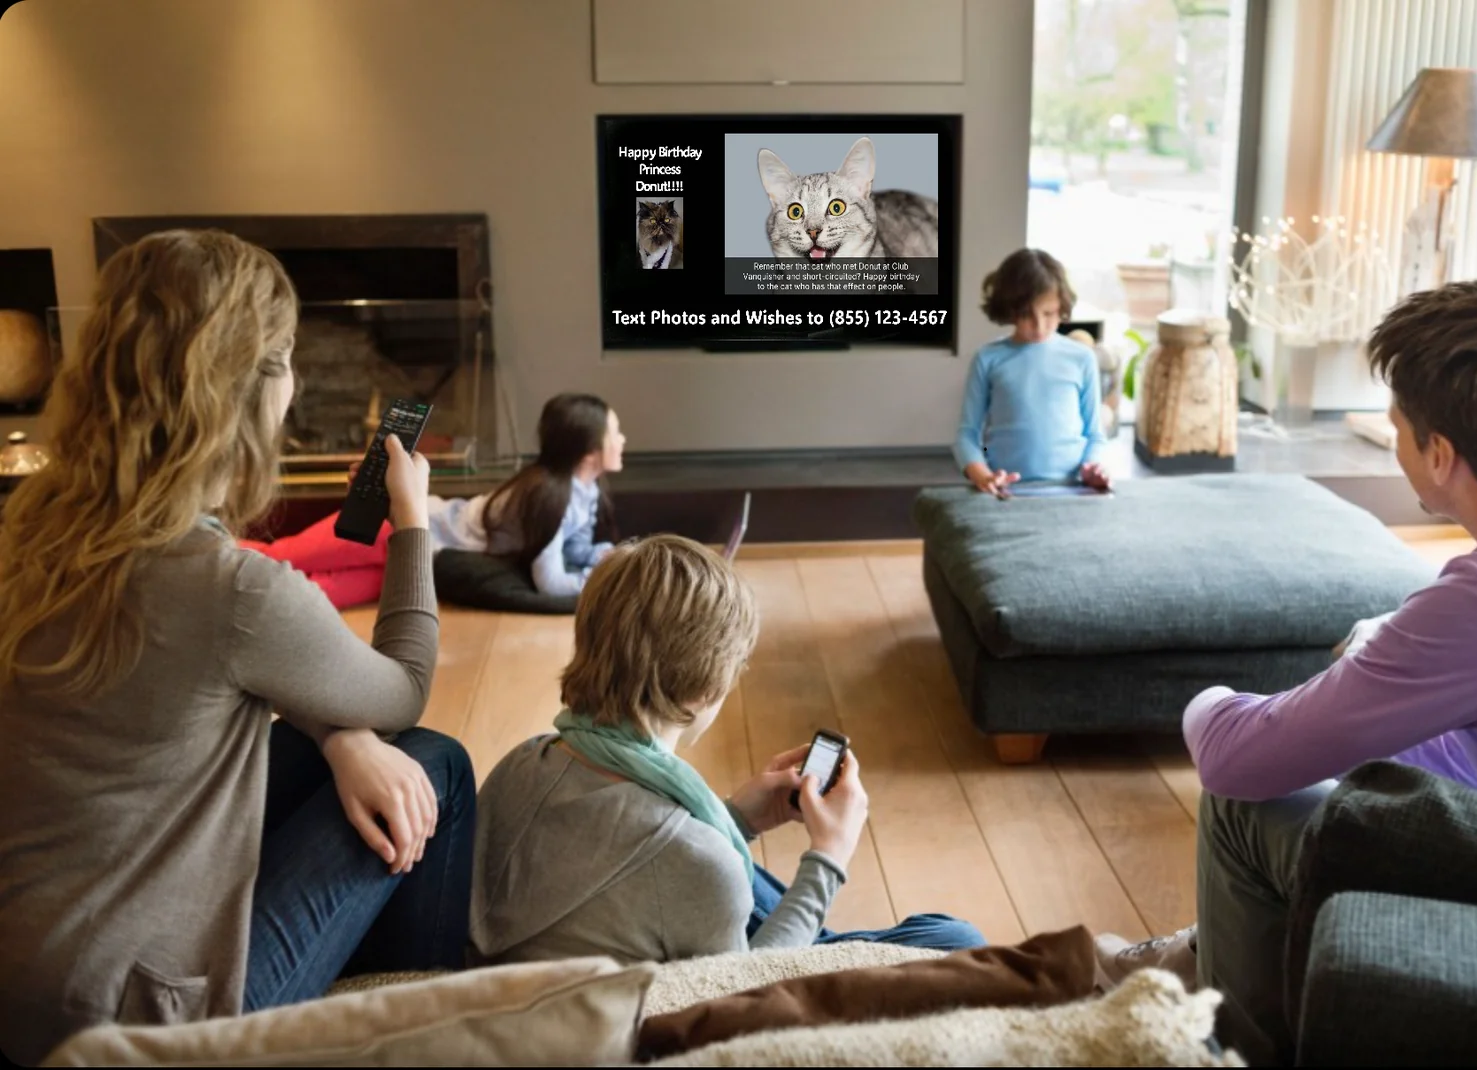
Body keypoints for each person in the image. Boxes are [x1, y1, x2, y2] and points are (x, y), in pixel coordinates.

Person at [1092, 280, 1477, 1065]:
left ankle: (1235, 1045)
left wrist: (1209, 699)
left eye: (1397, 426)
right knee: (1388, 753)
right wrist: (1389, 648)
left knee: (1244, 801)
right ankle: (1194, 954)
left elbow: (1237, 754)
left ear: (1439, 453)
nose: (1395, 440)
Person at [0, 230, 476, 1067]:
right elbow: (403, 687)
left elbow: (208, 685)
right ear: (246, 391)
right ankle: (416, 1022)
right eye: (287, 358)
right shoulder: (231, 588)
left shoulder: (27, 531)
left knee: (362, 755)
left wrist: (337, 735)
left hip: (25, 977)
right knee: (434, 762)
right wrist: (411, 523)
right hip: (151, 1021)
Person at [470, 535, 985, 966]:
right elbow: (738, 994)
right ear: (704, 692)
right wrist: (828, 858)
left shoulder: (522, 762)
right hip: (656, 1015)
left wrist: (735, 818)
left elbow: (622, 873)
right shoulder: (697, 859)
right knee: (956, 941)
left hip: (550, 976)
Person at [241, 393, 625, 608]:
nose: (623, 439)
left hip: (420, 559)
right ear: (590, 449)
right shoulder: (549, 497)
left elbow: (574, 549)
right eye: (616, 432)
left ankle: (230, 602)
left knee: (311, 598)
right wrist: (599, 579)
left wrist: (603, 557)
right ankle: (193, 555)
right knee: (279, 556)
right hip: (396, 523)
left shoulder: (583, 492)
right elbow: (551, 582)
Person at [953, 248, 1112, 497]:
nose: (1039, 326)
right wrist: (983, 475)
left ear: (1062, 305)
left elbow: (1095, 434)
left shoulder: (1082, 358)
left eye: (1048, 313)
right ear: (1009, 309)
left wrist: (1092, 469)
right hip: (1006, 490)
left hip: (1072, 488)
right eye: (1027, 314)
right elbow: (966, 435)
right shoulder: (988, 359)